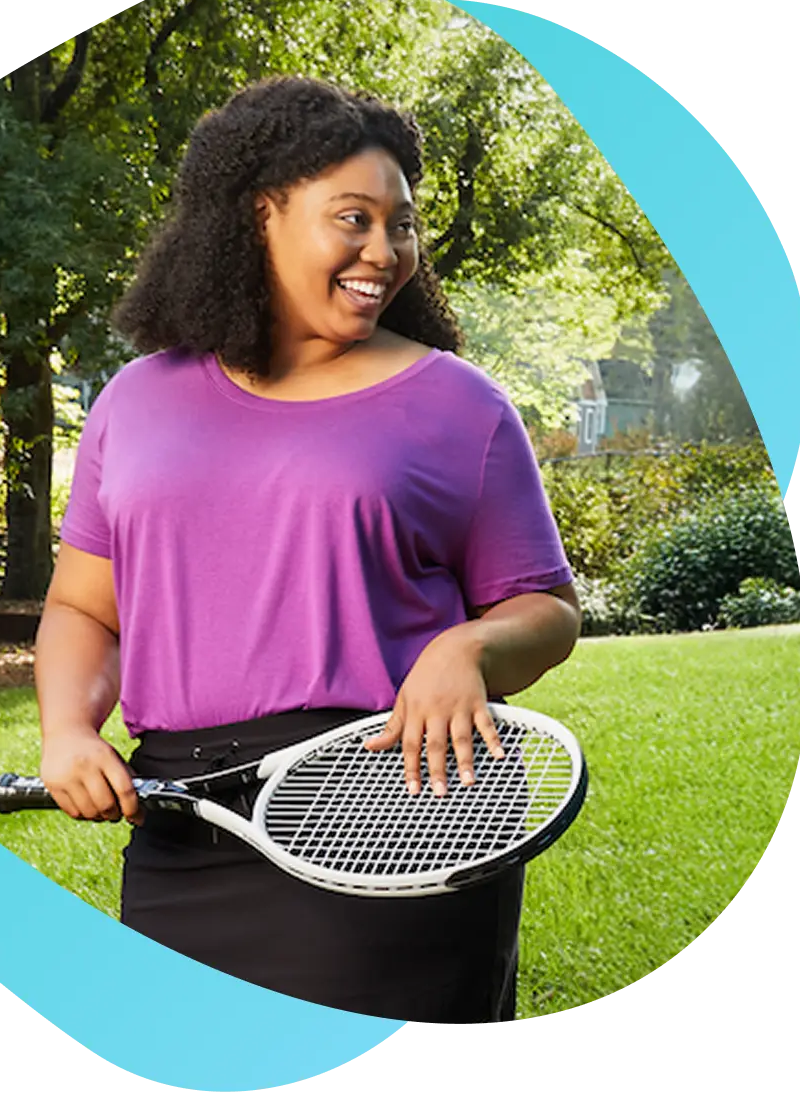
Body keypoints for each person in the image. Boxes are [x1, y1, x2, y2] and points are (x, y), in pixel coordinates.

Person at [34, 76, 581, 1026]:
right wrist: (68, 732)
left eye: (401, 225)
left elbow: (544, 610)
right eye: (354, 219)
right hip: (183, 831)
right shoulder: (136, 400)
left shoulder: (459, 405)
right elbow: (84, 608)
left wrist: (467, 650)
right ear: (259, 214)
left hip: (397, 817)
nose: (386, 251)